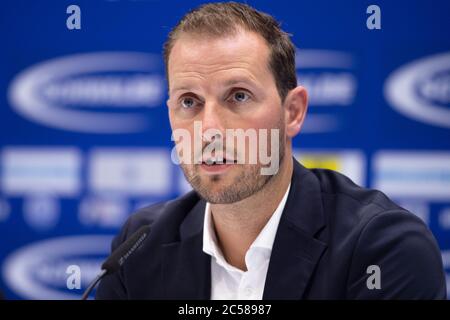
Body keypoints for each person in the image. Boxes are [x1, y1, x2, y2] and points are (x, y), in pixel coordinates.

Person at [96, 2, 446, 299]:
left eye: (239, 96)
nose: (210, 128)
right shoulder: (138, 247)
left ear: (292, 112)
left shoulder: (384, 249)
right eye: (189, 101)